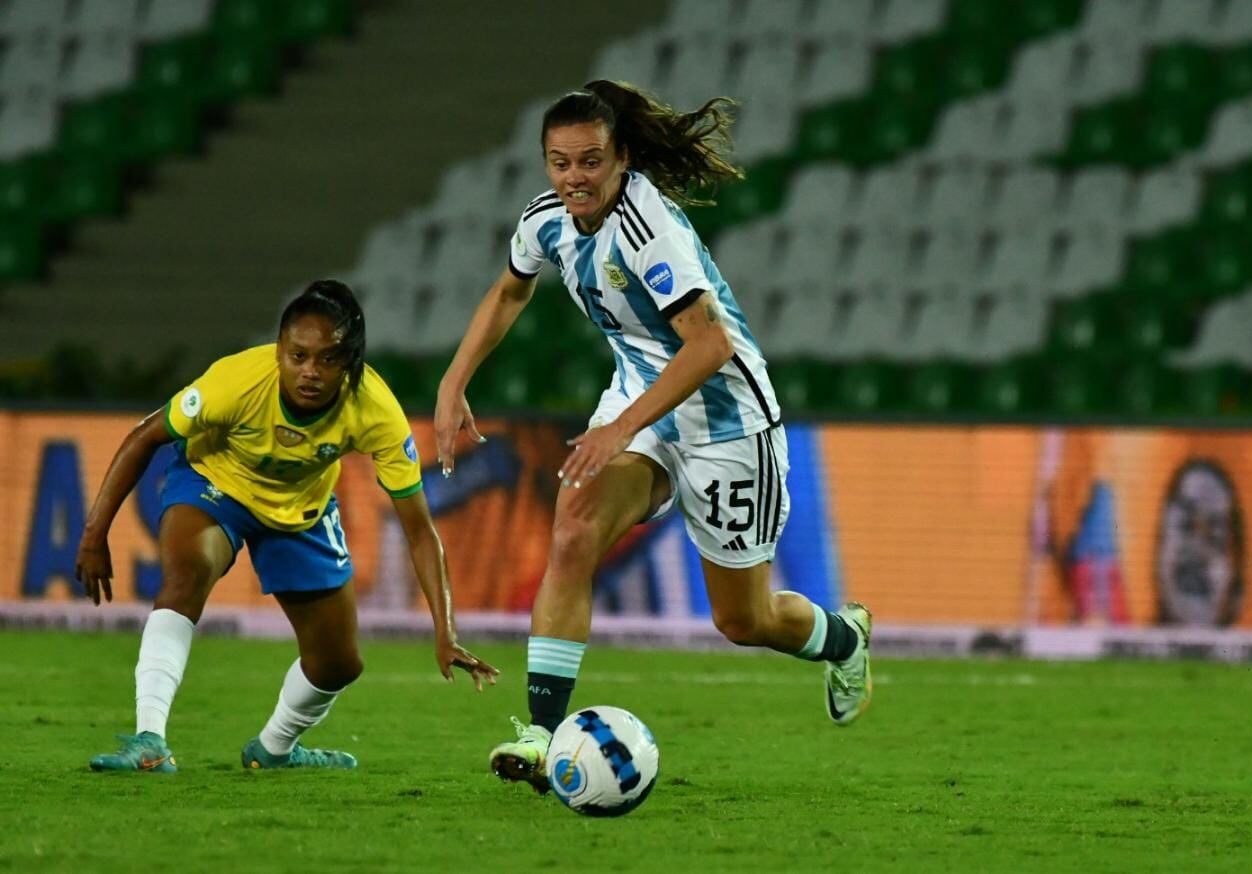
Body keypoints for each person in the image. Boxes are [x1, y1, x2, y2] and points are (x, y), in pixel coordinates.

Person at [433, 80, 872, 794]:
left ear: (621, 158)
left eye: (590, 162)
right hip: (642, 396)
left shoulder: (648, 231)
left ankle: (844, 638)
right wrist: (455, 380)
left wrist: (619, 429)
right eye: (559, 162)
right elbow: (511, 289)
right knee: (573, 530)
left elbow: (708, 346)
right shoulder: (545, 220)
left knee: (744, 618)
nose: (574, 179)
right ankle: (543, 736)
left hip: (727, 420)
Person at [77, 280, 498, 773]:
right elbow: (142, 437)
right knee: (186, 574)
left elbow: (420, 530)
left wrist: (444, 631)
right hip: (216, 483)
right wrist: (93, 535)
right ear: (279, 350)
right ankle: (150, 739)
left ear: (351, 362)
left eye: (327, 359)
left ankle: (274, 749)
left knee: (339, 664)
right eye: (297, 356)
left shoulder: (377, 411)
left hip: (301, 509)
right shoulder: (235, 380)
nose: (309, 372)